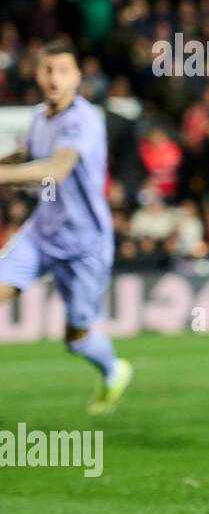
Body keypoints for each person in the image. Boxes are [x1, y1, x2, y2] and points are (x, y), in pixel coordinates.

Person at [0, 41, 131, 414]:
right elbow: (30, 156)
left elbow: (56, 169)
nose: (54, 78)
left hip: (84, 245)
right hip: (41, 232)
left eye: (62, 70)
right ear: (36, 74)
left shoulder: (83, 119)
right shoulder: (41, 117)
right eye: (47, 70)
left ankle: (113, 370)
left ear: (76, 77)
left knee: (77, 337)